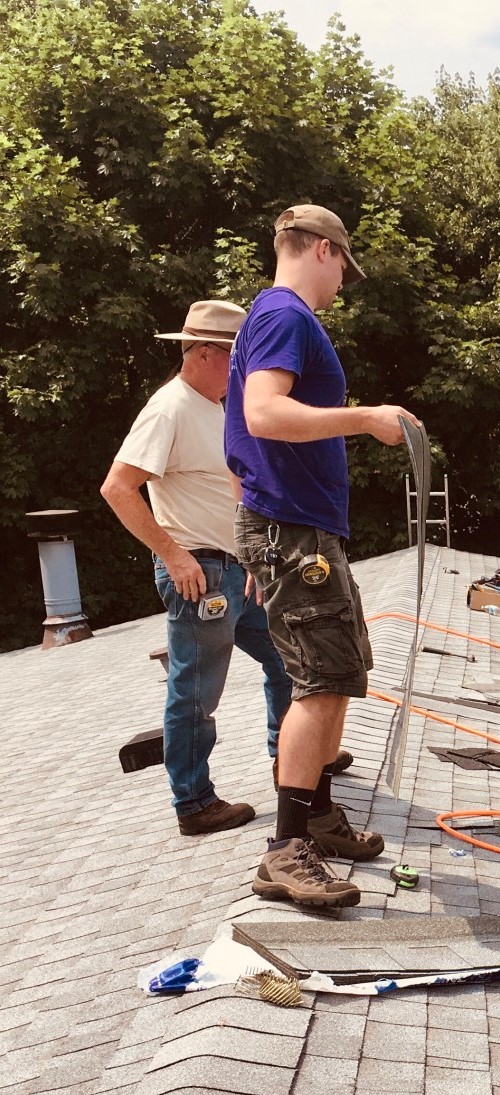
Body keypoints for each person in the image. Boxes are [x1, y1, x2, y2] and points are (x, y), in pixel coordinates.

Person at [227, 204, 418, 908]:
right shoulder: (285, 316)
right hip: (292, 532)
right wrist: (365, 419)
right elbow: (262, 415)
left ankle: (318, 817)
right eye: (344, 267)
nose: (344, 283)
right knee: (317, 683)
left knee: (338, 671)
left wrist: (252, 539)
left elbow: (239, 450)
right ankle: (286, 850)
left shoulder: (274, 318)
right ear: (323, 251)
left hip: (292, 529)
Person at [102, 299, 293, 835]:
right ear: (206, 353)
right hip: (200, 572)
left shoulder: (218, 406)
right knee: (196, 692)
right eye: (240, 356)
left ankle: (291, 763)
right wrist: (173, 554)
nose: (249, 367)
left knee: (288, 660)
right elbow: (118, 488)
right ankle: (194, 804)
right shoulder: (171, 407)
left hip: (237, 568)